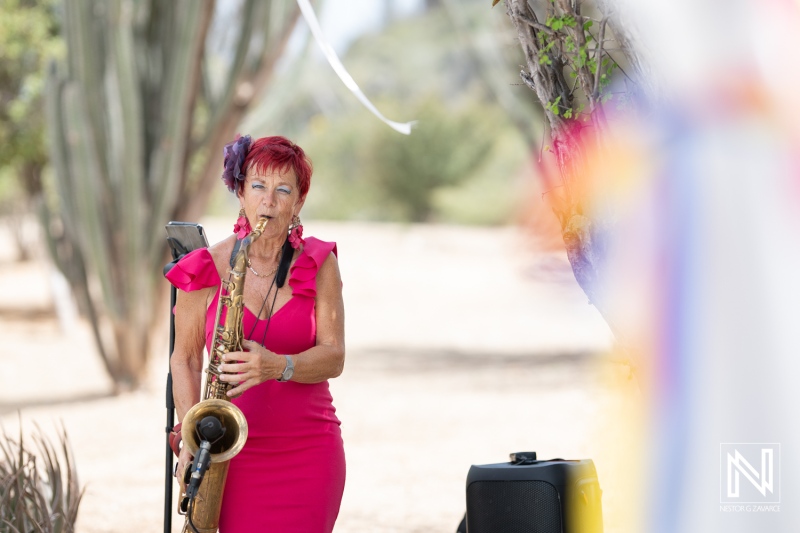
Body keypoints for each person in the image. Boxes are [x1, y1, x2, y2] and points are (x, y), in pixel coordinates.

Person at [166, 135, 346, 532]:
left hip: (309, 450)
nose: (269, 201)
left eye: (283, 190)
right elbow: (187, 358)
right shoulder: (206, 266)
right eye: (259, 186)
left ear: (298, 202)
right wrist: (193, 439)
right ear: (241, 192)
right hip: (229, 451)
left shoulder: (320, 263)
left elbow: (334, 356)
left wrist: (278, 365)